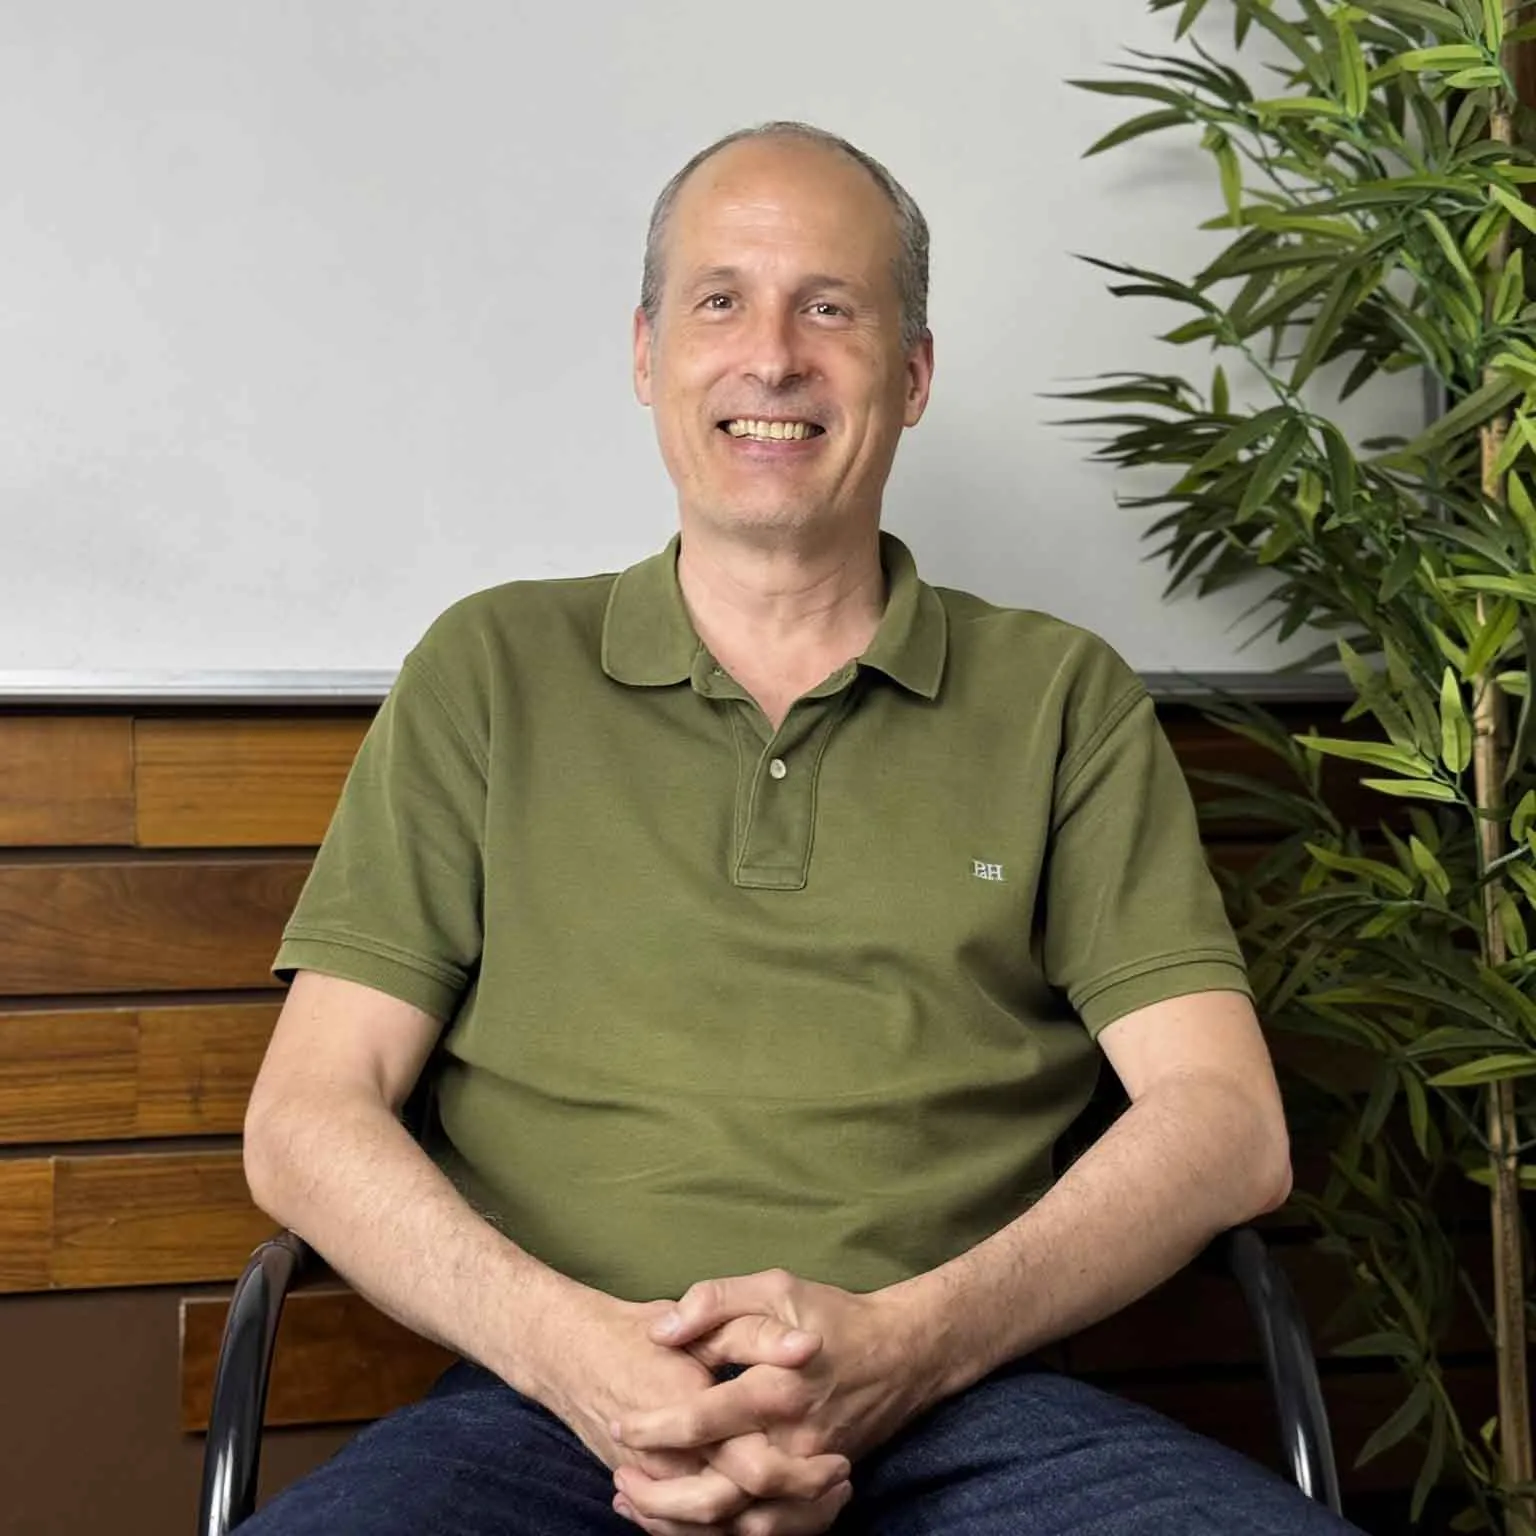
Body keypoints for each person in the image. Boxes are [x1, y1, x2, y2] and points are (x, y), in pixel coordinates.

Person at [239, 121, 1361, 1535]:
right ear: (647, 354)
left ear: (914, 372)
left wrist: (907, 1349)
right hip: (544, 1409)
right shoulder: (490, 669)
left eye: (831, 308)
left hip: (972, 1404)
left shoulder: (1059, 696)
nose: (772, 356)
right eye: (721, 300)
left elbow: (1229, 1124)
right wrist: (584, 1361)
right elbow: (304, 1119)